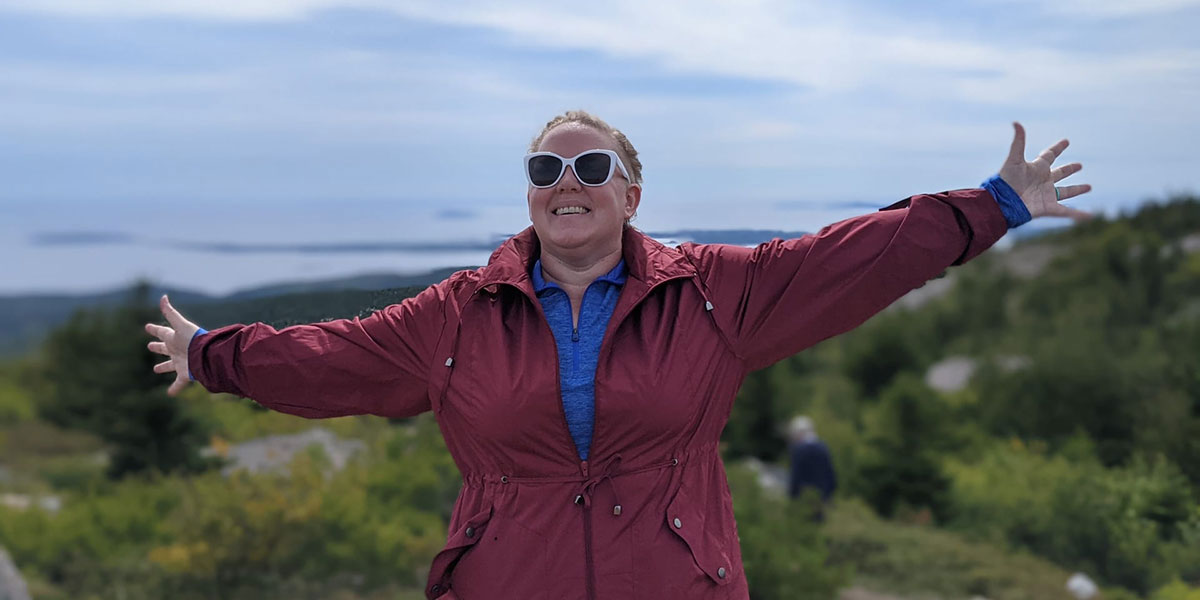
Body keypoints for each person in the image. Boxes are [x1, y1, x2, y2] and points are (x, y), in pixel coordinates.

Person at [145, 110, 1091, 600]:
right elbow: (332, 356)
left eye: (592, 167)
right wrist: (215, 354)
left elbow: (854, 257)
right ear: (530, 196)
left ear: (631, 195)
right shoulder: (454, 316)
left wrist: (993, 206)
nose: (568, 181)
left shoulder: (718, 291)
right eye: (546, 169)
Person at [786, 416, 836, 519]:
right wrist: (829, 495)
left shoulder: (798, 450)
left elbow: (796, 476)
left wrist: (792, 497)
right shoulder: (823, 448)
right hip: (822, 498)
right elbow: (831, 475)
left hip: (805, 499)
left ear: (799, 433)